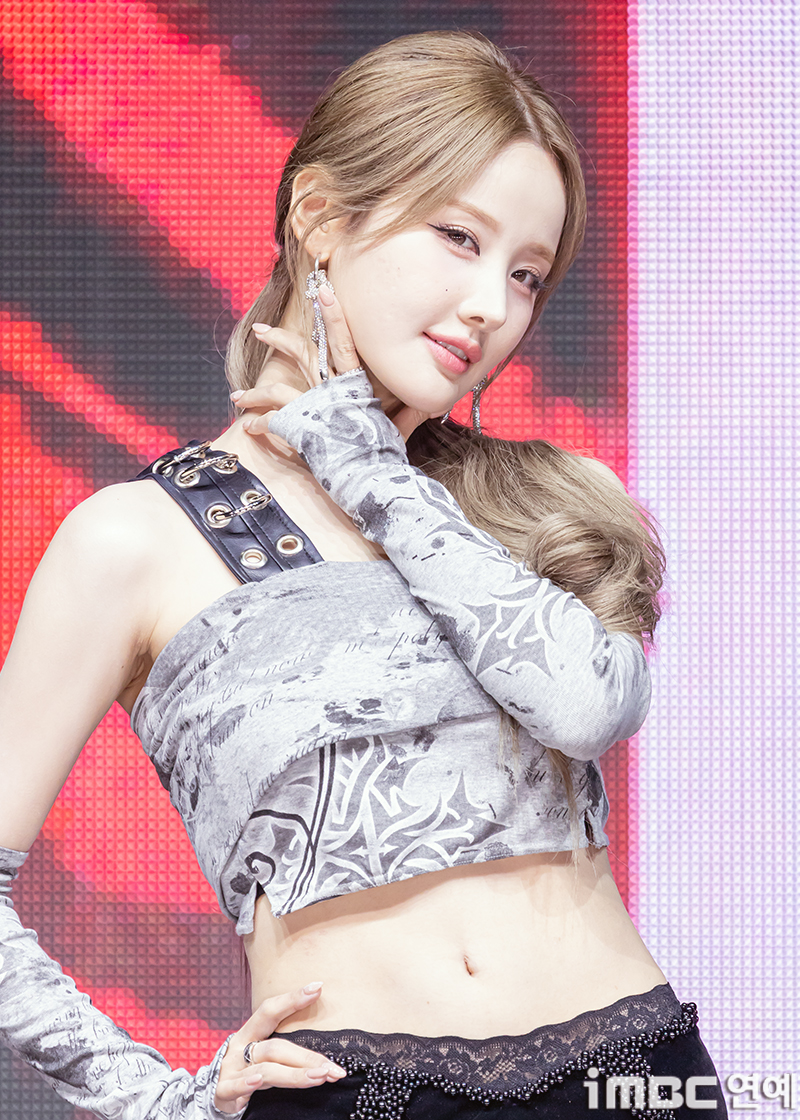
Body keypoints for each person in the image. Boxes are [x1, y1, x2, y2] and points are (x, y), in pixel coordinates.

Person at [0, 30, 725, 1120]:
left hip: (629, 1074)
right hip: (353, 1093)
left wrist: (370, 469)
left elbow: (583, 706)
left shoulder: (541, 503)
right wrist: (158, 1098)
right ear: (319, 218)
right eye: (457, 237)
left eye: (526, 274)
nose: (490, 306)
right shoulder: (134, 540)